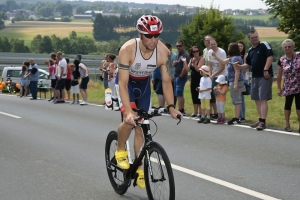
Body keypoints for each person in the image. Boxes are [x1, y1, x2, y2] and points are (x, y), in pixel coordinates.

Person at [115, 15, 182, 189]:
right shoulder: (127, 49)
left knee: (142, 128)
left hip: (144, 85)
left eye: (156, 35)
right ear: (140, 34)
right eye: (148, 36)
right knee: (130, 122)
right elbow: (122, 83)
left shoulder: (164, 53)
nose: (153, 40)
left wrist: (172, 107)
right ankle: (120, 148)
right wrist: (128, 111)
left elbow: (167, 82)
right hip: (126, 84)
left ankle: (138, 169)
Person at [238, 30, 274, 130]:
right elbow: (248, 64)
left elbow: (270, 56)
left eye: (256, 36)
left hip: (264, 76)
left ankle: (263, 121)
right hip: (255, 76)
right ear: (249, 39)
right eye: (253, 37)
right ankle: (260, 119)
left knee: (263, 98)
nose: (255, 39)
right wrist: (240, 67)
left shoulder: (264, 45)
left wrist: (266, 69)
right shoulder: (250, 50)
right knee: (257, 99)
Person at [213, 43, 244, 125]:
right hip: (234, 80)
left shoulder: (235, 59)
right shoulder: (232, 58)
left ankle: (237, 118)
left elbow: (237, 71)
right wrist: (215, 56)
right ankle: (237, 117)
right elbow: (223, 61)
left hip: (235, 80)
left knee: (237, 100)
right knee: (236, 99)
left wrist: (235, 84)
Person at [277, 39, 300, 133]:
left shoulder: (299, 56)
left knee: (299, 106)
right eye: (285, 47)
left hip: (299, 85)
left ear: (293, 47)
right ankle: (287, 124)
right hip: (288, 86)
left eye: (289, 46)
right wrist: (279, 88)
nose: (287, 48)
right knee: (288, 105)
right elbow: (279, 75)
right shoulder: (281, 60)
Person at [207, 38, 227, 120]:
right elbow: (210, 65)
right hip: (213, 75)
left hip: (221, 75)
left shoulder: (221, 52)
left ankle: (221, 114)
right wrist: (210, 75)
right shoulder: (209, 52)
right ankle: (217, 113)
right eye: (211, 44)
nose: (213, 46)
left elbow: (222, 67)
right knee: (213, 94)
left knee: (219, 94)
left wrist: (213, 75)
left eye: (214, 44)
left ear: (217, 43)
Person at [173, 40, 190, 116]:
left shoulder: (185, 55)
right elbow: (175, 64)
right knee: (178, 93)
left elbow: (185, 68)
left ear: (183, 46)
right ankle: (180, 108)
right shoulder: (178, 54)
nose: (178, 47)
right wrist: (174, 64)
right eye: (177, 46)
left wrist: (181, 76)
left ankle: (181, 110)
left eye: (180, 46)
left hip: (181, 77)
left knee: (179, 93)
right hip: (176, 76)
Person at [188, 46, 204, 118]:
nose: (196, 53)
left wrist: (194, 63)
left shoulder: (201, 59)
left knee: (199, 95)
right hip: (193, 79)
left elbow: (198, 70)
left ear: (199, 51)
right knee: (194, 95)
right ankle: (195, 111)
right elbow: (188, 69)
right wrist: (185, 62)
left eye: (197, 51)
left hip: (200, 79)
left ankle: (200, 112)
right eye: (194, 51)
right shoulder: (191, 59)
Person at [237, 40, 248, 122]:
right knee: (237, 98)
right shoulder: (234, 56)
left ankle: (242, 116)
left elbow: (245, 70)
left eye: (241, 46)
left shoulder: (245, 56)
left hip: (243, 79)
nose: (240, 47)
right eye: (238, 46)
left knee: (241, 98)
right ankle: (238, 115)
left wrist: (238, 67)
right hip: (236, 79)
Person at [165, 42, 177, 107]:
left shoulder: (174, 56)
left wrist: (173, 76)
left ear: (170, 48)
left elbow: (175, 67)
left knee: (172, 92)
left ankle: (173, 105)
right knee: (167, 92)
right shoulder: (164, 55)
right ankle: (169, 105)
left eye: (168, 48)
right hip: (166, 76)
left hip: (172, 76)